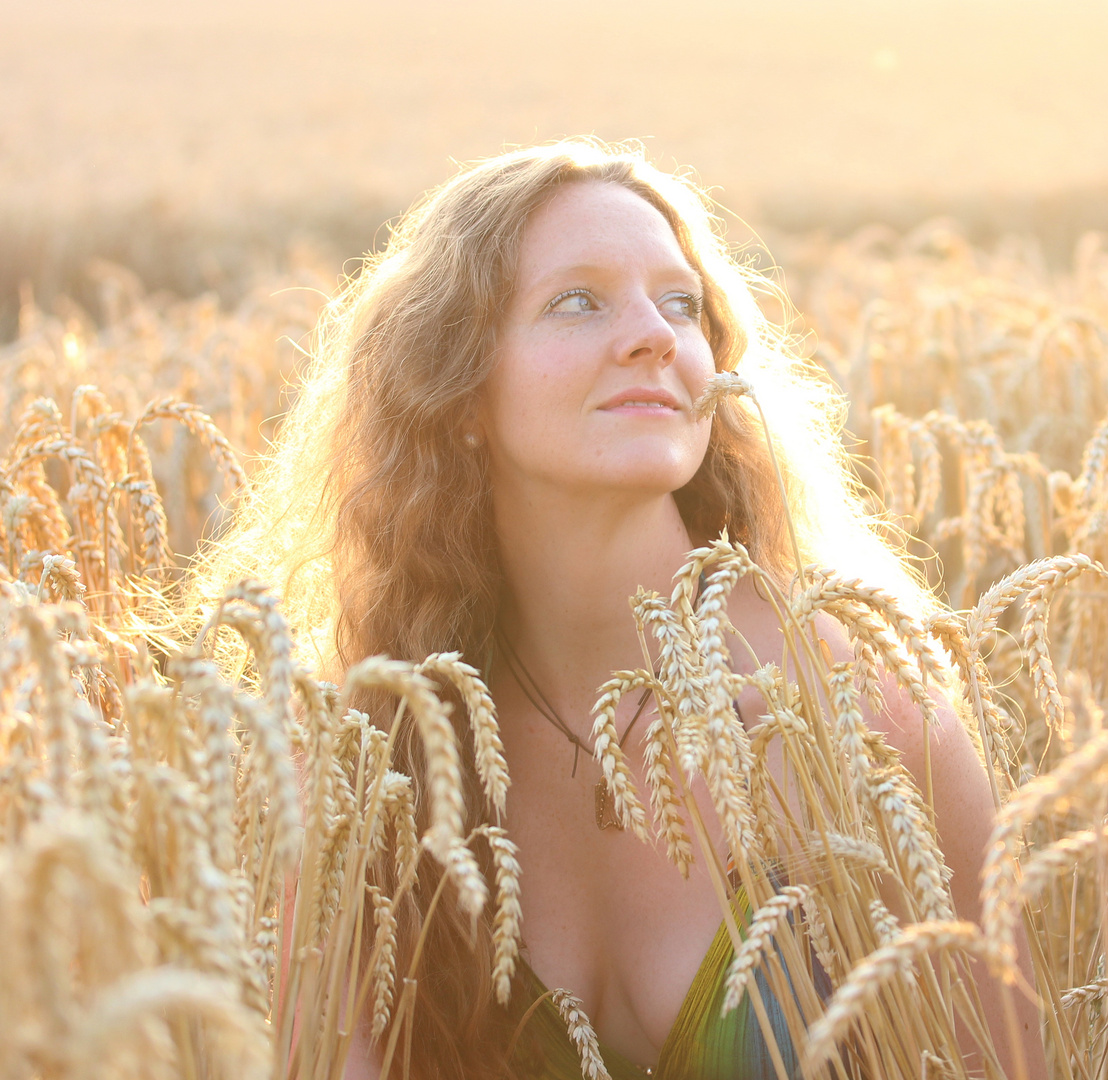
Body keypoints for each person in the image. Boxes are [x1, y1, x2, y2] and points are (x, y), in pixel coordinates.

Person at [199, 140, 1042, 1079]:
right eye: (577, 300)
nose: (654, 334)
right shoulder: (371, 760)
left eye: (681, 303)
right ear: (456, 389)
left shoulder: (858, 723)